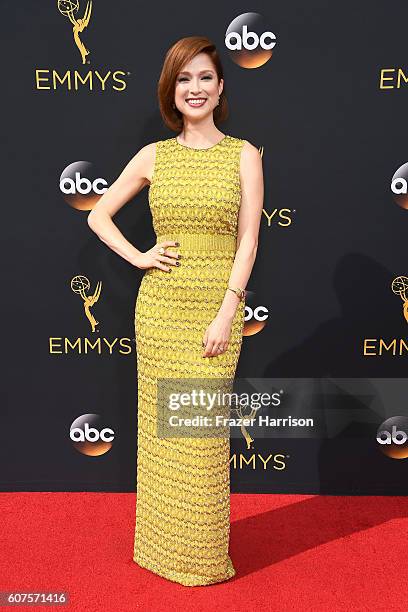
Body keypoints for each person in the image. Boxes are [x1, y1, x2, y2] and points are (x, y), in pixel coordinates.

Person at [87, 35, 264, 586]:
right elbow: (98, 215)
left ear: (220, 87)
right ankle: (161, 550)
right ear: (172, 89)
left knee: (202, 436)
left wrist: (226, 312)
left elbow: (249, 243)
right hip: (161, 309)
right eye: (184, 79)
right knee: (164, 434)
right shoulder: (153, 156)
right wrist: (139, 257)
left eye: (205, 77)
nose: (195, 88)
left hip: (216, 308)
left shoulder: (244, 154)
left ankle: (204, 557)